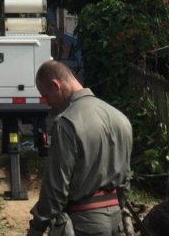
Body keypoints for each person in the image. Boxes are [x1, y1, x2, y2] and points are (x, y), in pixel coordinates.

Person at [27, 60, 133, 236]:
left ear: (56, 85)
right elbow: (125, 179)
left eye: (46, 96)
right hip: (116, 222)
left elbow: (55, 188)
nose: (47, 103)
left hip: (84, 223)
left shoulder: (67, 123)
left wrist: (37, 227)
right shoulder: (121, 118)